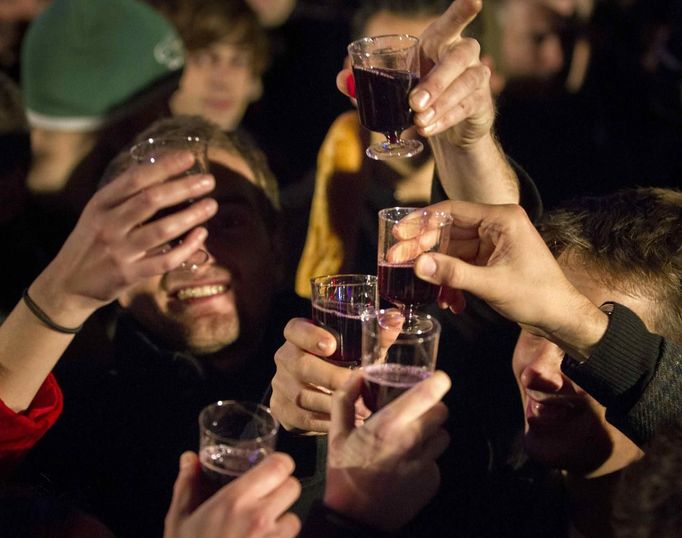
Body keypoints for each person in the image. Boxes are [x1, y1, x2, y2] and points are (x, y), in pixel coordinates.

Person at [274, 186, 682, 535]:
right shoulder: (487, 501)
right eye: (535, 329)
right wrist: (332, 439)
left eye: (578, 348)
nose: (537, 369)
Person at [17, 115, 317, 538]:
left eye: (227, 222)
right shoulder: (65, 420)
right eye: (163, 229)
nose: (197, 255)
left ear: (277, 247)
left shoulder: (353, 359)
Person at [148, 0, 270, 133]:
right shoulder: (128, 147)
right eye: (201, 60)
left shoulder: (260, 151)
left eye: (238, 62)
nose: (223, 81)